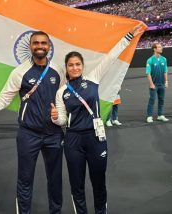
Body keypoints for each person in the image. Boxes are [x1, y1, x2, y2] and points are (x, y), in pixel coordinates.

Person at [0, 31, 65, 214]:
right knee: (25, 180)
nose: (40, 46)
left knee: (56, 180)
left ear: (49, 46)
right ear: (30, 46)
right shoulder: (19, 72)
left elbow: (64, 97)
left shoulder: (58, 70)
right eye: (36, 43)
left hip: (54, 134)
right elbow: (3, 99)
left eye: (43, 43)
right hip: (29, 134)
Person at [51, 25, 143, 214]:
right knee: (77, 185)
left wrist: (129, 36)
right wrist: (55, 118)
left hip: (96, 138)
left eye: (78, 64)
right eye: (71, 65)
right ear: (66, 68)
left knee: (99, 182)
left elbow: (111, 57)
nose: (75, 67)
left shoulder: (93, 78)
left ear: (82, 66)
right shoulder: (61, 92)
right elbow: (61, 121)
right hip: (73, 140)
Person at [146, 42, 169, 123]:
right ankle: (149, 116)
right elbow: (148, 73)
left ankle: (160, 115)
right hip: (154, 84)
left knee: (161, 100)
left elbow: (165, 71)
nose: (161, 48)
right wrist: (151, 84)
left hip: (162, 84)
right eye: (159, 47)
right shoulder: (150, 60)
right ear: (154, 49)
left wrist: (166, 81)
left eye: (161, 47)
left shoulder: (164, 59)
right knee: (152, 100)